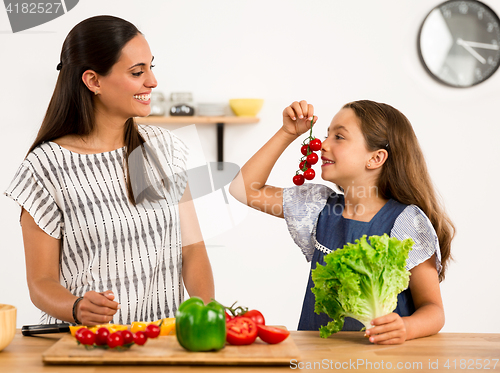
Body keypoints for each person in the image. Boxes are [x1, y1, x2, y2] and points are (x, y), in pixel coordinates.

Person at [4, 15, 214, 326]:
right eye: (136, 72)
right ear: (93, 81)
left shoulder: (164, 149)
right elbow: (40, 283)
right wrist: (77, 307)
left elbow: (193, 248)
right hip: (87, 346)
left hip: (161, 342)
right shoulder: (44, 168)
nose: (152, 81)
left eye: (151, 67)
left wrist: (206, 316)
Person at [229, 100, 454, 345]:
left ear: (376, 158)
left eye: (339, 137)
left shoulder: (406, 222)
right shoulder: (317, 206)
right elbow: (243, 189)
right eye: (326, 135)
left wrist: (407, 327)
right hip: (317, 359)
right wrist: (287, 133)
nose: (324, 144)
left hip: (381, 363)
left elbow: (433, 310)